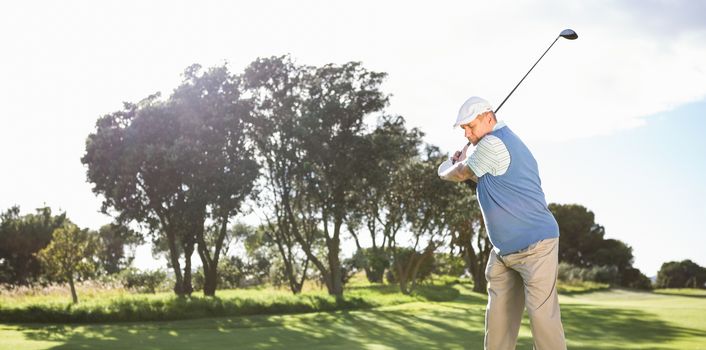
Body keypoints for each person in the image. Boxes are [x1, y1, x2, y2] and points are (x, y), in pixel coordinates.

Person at [438, 96, 567, 350]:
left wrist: (447, 166)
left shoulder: (495, 144)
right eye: (463, 129)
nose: (467, 133)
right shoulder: (489, 149)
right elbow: (480, 177)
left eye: (470, 126)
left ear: (489, 117)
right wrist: (462, 158)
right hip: (503, 253)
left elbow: (461, 173)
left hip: (536, 247)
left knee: (543, 320)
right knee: (497, 324)